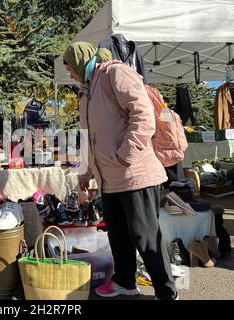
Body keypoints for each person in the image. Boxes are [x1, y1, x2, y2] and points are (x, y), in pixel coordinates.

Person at [63, 42, 178, 300]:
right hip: (110, 178)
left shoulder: (115, 73)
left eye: (70, 68)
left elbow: (143, 115)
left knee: (145, 235)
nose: (70, 74)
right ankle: (125, 281)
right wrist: (86, 173)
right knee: (117, 234)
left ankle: (166, 291)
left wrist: (125, 154)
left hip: (135, 173)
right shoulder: (86, 91)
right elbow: (91, 137)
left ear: (80, 61)